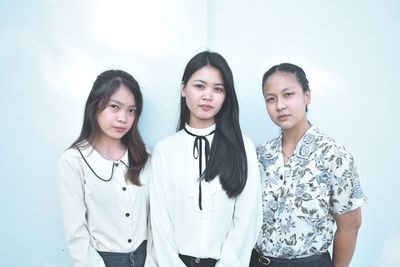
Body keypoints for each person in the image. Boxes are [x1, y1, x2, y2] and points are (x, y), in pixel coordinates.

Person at [148, 51, 262, 267]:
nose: (208, 96)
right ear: (184, 89)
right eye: (199, 86)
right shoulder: (165, 150)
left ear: (226, 95)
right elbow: (159, 223)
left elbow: (247, 219)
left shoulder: (242, 147)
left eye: (218, 89)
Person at [250, 63, 366, 267]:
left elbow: (350, 226)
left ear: (307, 96)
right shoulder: (260, 155)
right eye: (271, 99)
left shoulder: (334, 154)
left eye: (288, 94)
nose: (280, 105)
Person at [57, 70, 150, 267]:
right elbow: (76, 235)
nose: (123, 118)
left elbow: (156, 221)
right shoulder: (73, 161)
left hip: (147, 259)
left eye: (131, 110)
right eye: (114, 107)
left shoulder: (146, 156)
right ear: (95, 106)